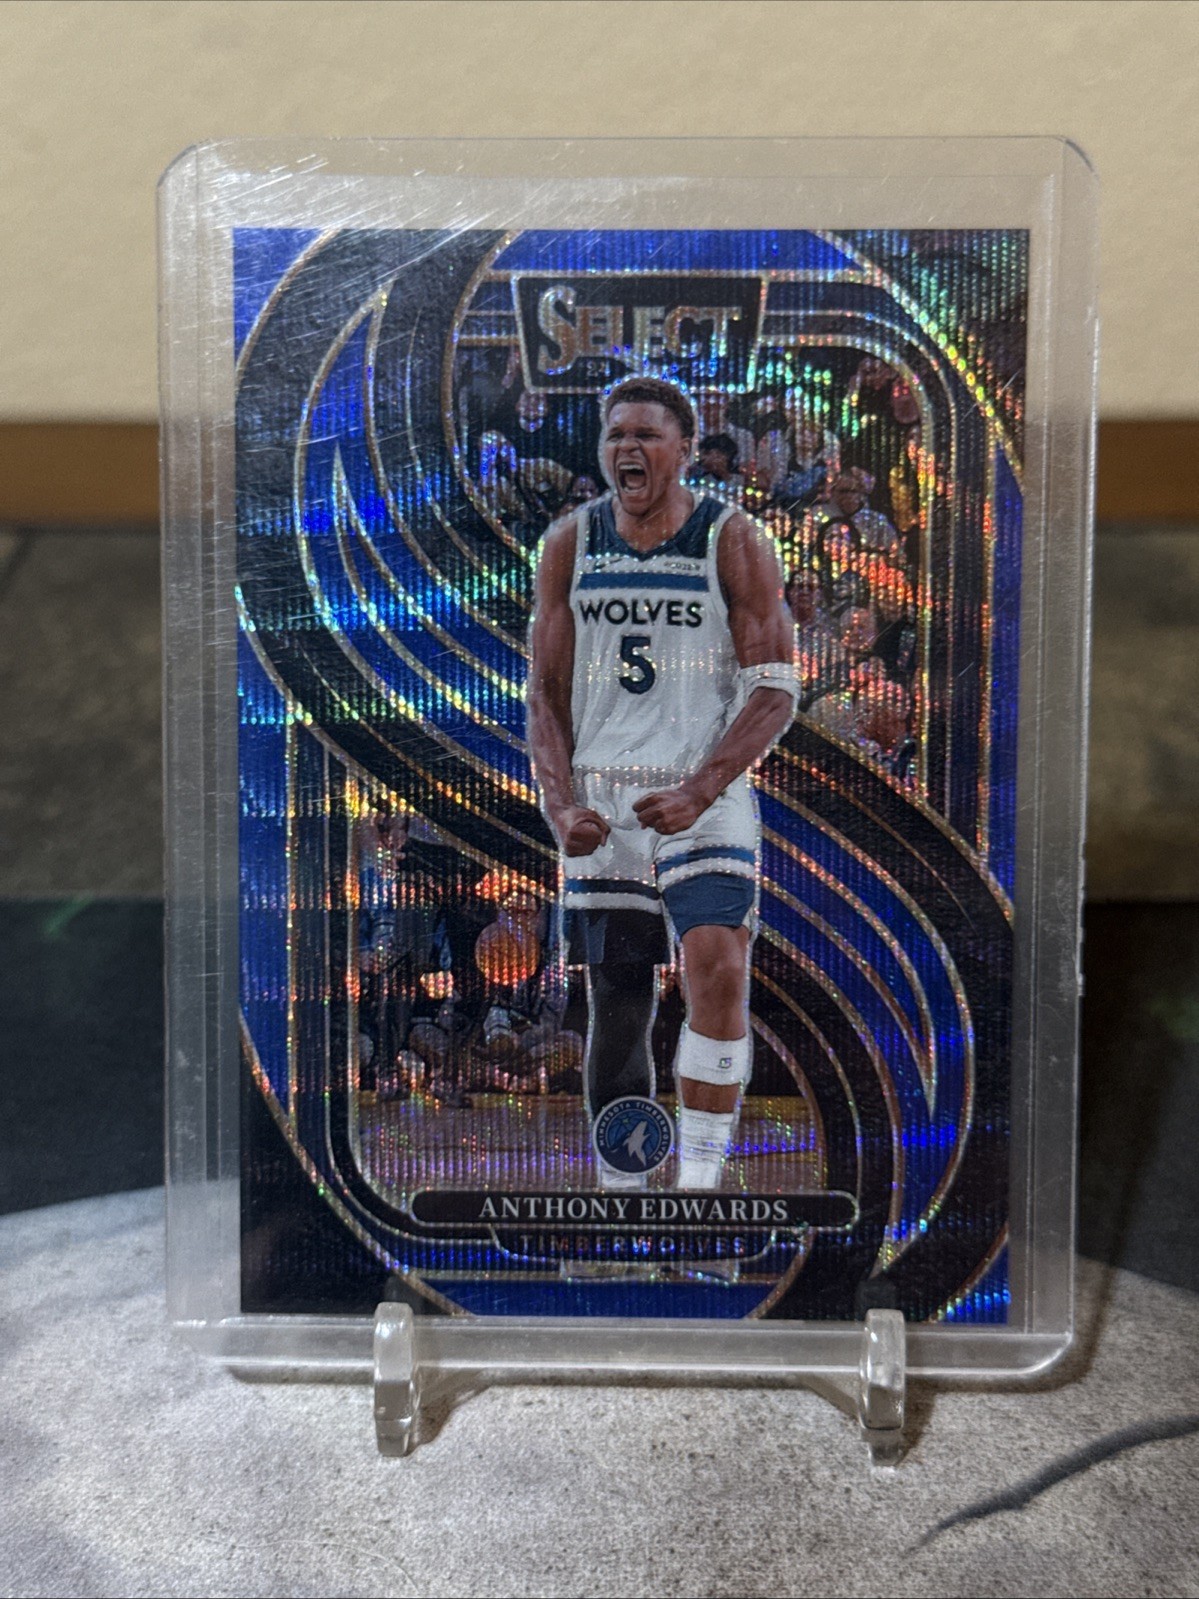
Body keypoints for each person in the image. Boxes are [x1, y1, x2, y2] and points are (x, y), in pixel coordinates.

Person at [527, 375, 798, 1191]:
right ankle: (624, 1189)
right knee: (617, 1000)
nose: (627, 448)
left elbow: (774, 688)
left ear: (683, 448)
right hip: (604, 792)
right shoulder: (569, 542)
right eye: (616, 434)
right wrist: (560, 802)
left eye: (645, 434)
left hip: (701, 787)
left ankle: (700, 1183)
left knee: (717, 967)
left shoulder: (731, 537)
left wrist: (700, 790)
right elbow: (545, 692)